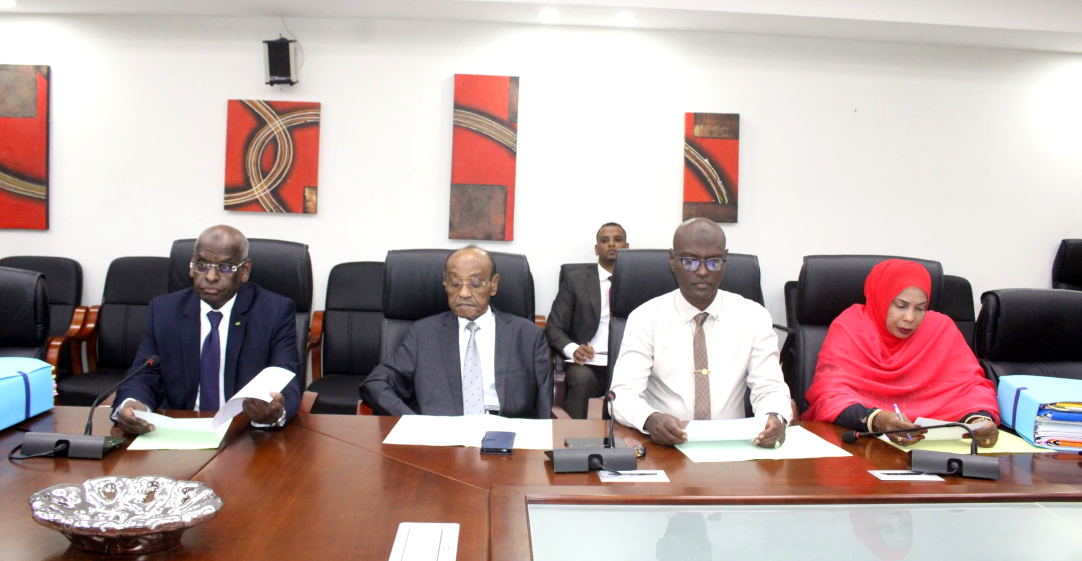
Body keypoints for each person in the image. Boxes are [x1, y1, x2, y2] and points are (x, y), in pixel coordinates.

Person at [609, 218, 790, 447]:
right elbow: (621, 395)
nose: (703, 271)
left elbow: (770, 387)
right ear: (672, 260)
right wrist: (650, 419)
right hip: (664, 448)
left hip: (733, 449)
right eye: (690, 261)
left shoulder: (754, 317)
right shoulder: (646, 318)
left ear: (725, 260)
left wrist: (775, 416)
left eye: (714, 262)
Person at [112, 225, 303, 434]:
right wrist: (133, 404)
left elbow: (285, 375)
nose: (210, 276)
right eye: (202, 264)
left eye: (226, 267)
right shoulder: (164, 311)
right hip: (179, 430)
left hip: (245, 433)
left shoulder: (273, 312)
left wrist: (275, 411)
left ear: (245, 271)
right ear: (191, 266)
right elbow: (144, 373)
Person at [803, 259, 1000, 446]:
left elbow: (972, 389)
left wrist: (980, 421)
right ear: (881, 298)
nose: (910, 317)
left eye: (920, 308)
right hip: (862, 447)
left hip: (935, 451)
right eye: (901, 306)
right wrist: (878, 420)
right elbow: (828, 395)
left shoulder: (940, 329)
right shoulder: (851, 326)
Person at [360, 246, 553, 418]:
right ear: (445, 282)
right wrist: (411, 422)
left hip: (508, 437)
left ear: (494, 284)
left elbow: (544, 406)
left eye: (476, 283)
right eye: (455, 283)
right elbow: (376, 383)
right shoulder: (423, 334)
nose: (464, 293)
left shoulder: (528, 336)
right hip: (441, 440)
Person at [545, 222, 629, 419]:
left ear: (626, 247)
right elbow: (553, 327)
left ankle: (630, 443)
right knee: (582, 380)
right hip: (587, 362)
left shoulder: (640, 281)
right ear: (596, 248)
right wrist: (573, 349)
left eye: (617, 240)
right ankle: (573, 441)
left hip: (626, 360)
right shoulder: (576, 280)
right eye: (604, 240)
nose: (611, 245)